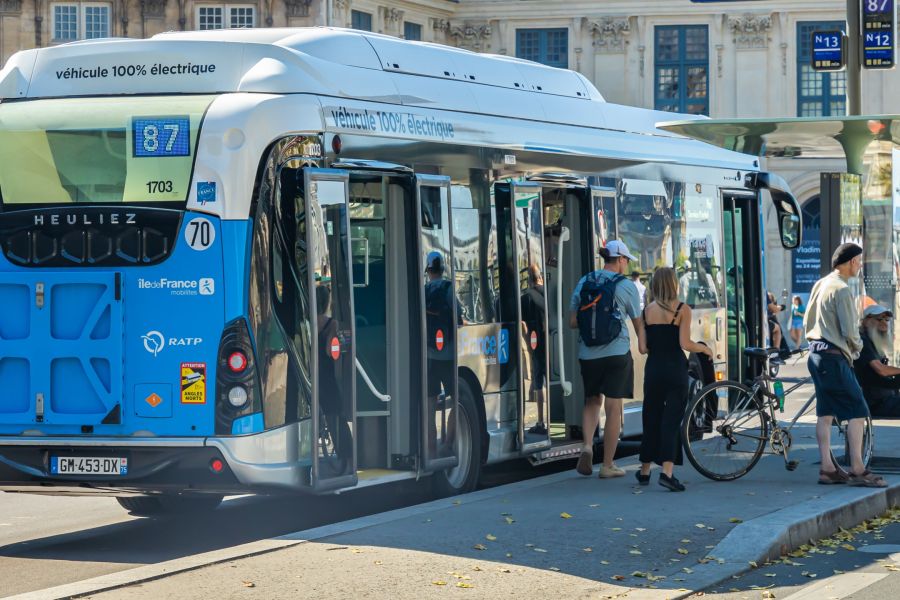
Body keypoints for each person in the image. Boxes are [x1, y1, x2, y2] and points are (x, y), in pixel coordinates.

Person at [805, 243, 886, 487]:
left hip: (816, 355)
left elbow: (809, 318)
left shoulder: (820, 284)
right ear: (851, 262)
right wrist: (858, 349)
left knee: (825, 413)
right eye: (859, 261)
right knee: (859, 410)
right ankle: (859, 469)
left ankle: (828, 469)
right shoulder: (841, 290)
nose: (860, 266)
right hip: (834, 357)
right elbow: (850, 332)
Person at [570, 240, 643, 478]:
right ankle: (608, 465)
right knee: (614, 408)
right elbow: (637, 321)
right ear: (620, 259)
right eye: (626, 260)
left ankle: (588, 446)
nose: (626, 264)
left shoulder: (585, 281)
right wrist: (644, 344)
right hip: (616, 354)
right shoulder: (626, 286)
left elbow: (572, 322)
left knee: (592, 401)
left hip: (587, 354)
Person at [636, 267, 712, 492]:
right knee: (671, 421)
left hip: (654, 371)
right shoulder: (682, 309)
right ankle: (667, 474)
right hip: (675, 371)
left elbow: (642, 348)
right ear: (673, 284)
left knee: (651, 418)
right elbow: (685, 344)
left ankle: (644, 471)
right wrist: (704, 349)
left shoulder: (645, 313)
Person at [424, 250, 459, 458]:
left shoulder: (423, 290)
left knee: (429, 404)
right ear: (443, 268)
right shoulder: (448, 288)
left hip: (429, 357)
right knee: (456, 400)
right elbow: (458, 314)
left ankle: (430, 448)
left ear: (428, 270)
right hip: (448, 355)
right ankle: (447, 444)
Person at [853, 305, 900, 418]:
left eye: (887, 320)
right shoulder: (862, 341)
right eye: (879, 319)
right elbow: (881, 370)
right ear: (866, 321)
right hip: (875, 403)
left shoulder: (873, 341)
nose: (884, 322)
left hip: (884, 398)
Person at [521, 263, 547, 435]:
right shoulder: (549, 292)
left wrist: (528, 345)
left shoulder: (525, 298)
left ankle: (540, 421)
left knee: (539, 383)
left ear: (528, 280)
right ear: (541, 277)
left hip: (535, 342)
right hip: (551, 341)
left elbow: (523, 326)